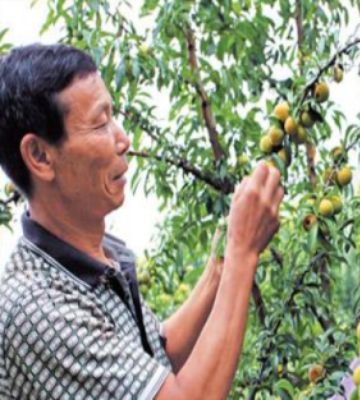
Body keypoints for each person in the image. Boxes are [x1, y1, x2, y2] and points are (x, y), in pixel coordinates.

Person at [0, 43, 284, 399]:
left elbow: (152, 358)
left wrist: (219, 269)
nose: (123, 139)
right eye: (100, 123)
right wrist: (243, 253)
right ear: (40, 156)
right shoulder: (37, 305)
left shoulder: (100, 255)